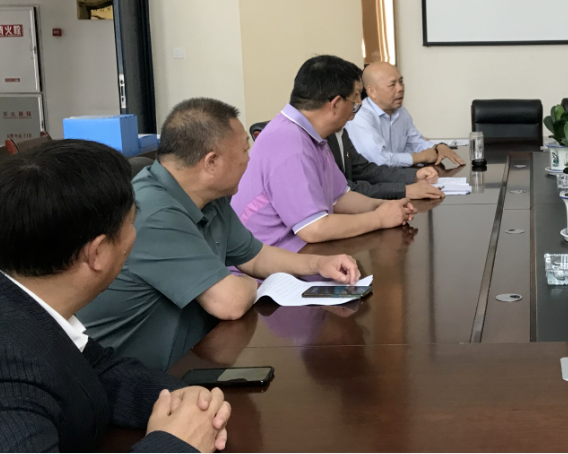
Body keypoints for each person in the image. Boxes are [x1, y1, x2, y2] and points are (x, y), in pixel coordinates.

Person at [80, 98, 363, 371]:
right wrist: (251, 284)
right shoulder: (154, 212)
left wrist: (318, 264)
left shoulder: (209, 196)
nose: (249, 160)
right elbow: (229, 303)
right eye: (244, 151)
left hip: (194, 355)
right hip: (133, 378)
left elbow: (255, 257)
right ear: (211, 162)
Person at [0, 140, 232, 453]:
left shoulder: (28, 302)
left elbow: (98, 371)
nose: (135, 236)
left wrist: (185, 401)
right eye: (132, 224)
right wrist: (175, 444)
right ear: (97, 253)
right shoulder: (9, 369)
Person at [232, 55, 415, 252]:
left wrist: (382, 206)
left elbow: (339, 197)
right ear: (335, 104)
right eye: (355, 99)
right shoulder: (289, 143)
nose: (357, 108)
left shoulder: (312, 135)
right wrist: (379, 219)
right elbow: (314, 228)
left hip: (300, 252)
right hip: (267, 262)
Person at [326, 66, 444, 200]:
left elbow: (364, 170)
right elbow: (344, 190)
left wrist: (413, 176)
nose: (359, 103)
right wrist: (403, 190)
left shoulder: (339, 131)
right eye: (356, 97)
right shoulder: (316, 141)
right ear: (336, 103)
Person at [345, 62, 466, 167]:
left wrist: (438, 147)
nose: (400, 88)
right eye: (392, 85)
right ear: (372, 91)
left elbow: (416, 142)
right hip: (372, 182)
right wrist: (421, 157)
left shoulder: (401, 112)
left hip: (399, 176)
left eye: (401, 82)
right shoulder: (360, 116)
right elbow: (379, 159)